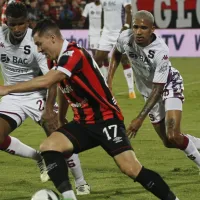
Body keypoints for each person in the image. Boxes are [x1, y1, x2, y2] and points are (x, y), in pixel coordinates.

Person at [0, 18, 180, 200]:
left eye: (39, 44)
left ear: (52, 38)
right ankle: (70, 197)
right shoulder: (53, 60)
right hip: (83, 122)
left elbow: (47, 81)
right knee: (49, 146)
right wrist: (61, 116)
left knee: (131, 169)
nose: (38, 49)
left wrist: (7, 89)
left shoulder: (74, 54)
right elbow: (61, 85)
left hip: (106, 119)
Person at [0, 2, 90, 195]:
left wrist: (49, 109)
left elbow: (51, 79)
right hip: (11, 96)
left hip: (37, 95)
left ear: (27, 21)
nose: (16, 29)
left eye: (21, 24)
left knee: (58, 133)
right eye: (12, 24)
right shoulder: (0, 36)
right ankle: (38, 157)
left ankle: (81, 181)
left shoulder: (36, 42)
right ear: (6, 21)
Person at [107, 10, 200, 169]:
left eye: (143, 28)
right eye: (135, 27)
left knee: (173, 135)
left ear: (152, 29)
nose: (138, 32)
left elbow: (158, 89)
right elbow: (116, 52)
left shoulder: (160, 51)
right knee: (169, 142)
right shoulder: (125, 37)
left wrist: (139, 119)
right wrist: (108, 80)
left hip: (168, 85)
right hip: (148, 92)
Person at [94, 0, 136, 99]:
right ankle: (101, 86)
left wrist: (126, 25)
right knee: (96, 60)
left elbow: (129, 10)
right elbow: (103, 13)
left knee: (124, 59)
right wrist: (101, 28)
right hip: (106, 32)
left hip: (119, 31)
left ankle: (131, 90)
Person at [80, 0, 108, 65]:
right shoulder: (88, 6)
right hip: (92, 34)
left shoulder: (104, 6)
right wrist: (82, 18)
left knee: (105, 57)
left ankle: (107, 74)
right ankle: (101, 74)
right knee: (96, 57)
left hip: (102, 34)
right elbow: (83, 17)